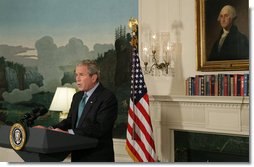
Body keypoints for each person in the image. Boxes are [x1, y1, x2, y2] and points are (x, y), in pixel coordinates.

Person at [35, 60, 118, 162]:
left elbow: (100, 128)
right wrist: (50, 130)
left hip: (97, 157)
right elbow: (70, 121)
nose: (77, 79)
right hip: (77, 156)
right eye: (76, 75)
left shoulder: (107, 97)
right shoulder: (77, 96)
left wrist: (70, 133)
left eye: (81, 75)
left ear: (93, 78)